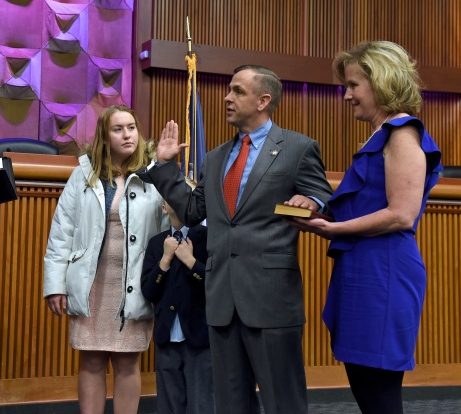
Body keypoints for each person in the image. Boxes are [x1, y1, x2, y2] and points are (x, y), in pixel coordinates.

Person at [143, 65, 333, 414]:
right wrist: (164, 167)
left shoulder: (297, 148)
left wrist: (313, 202)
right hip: (221, 300)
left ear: (264, 100)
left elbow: (324, 197)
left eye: (237, 91)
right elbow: (190, 211)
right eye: (228, 91)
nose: (227, 98)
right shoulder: (215, 158)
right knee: (230, 404)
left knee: (283, 402)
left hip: (271, 297)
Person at [288, 41, 443, 414]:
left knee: (379, 391)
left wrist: (333, 230)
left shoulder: (402, 134)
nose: (346, 95)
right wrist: (318, 210)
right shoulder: (382, 135)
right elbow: (364, 201)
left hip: (383, 272)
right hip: (364, 268)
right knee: (365, 385)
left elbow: (401, 214)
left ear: (382, 83)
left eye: (354, 85)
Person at [43, 105, 167, 414]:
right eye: (118, 129)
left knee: (127, 360)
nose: (127, 135)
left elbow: (170, 227)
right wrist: (55, 285)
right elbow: (62, 232)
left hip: (133, 282)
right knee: (92, 358)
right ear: (104, 136)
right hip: (91, 281)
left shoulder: (152, 175)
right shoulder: (84, 174)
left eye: (132, 128)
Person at [140, 180, 214, 414]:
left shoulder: (209, 239)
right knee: (169, 404)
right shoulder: (155, 244)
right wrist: (164, 260)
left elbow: (217, 284)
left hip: (200, 338)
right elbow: (149, 291)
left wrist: (191, 262)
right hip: (167, 338)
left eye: (188, 195)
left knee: (201, 402)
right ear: (164, 206)